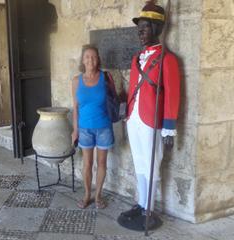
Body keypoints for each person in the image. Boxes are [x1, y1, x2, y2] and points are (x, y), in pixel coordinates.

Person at [120, 0, 180, 226]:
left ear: (156, 29)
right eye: (139, 29)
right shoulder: (137, 58)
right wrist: (126, 113)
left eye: (144, 28)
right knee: (139, 162)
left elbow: (173, 95)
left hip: (151, 119)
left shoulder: (168, 59)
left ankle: (149, 209)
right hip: (134, 117)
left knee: (151, 163)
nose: (140, 33)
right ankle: (142, 203)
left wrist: (169, 128)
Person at [72, 44, 116, 209]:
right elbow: (75, 108)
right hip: (84, 129)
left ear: (98, 60)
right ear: (83, 60)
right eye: (87, 57)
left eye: (94, 57)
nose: (90, 60)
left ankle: (98, 196)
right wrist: (75, 130)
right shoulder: (76, 81)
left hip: (104, 127)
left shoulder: (105, 77)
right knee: (87, 164)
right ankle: (86, 195)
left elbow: (114, 100)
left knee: (102, 163)